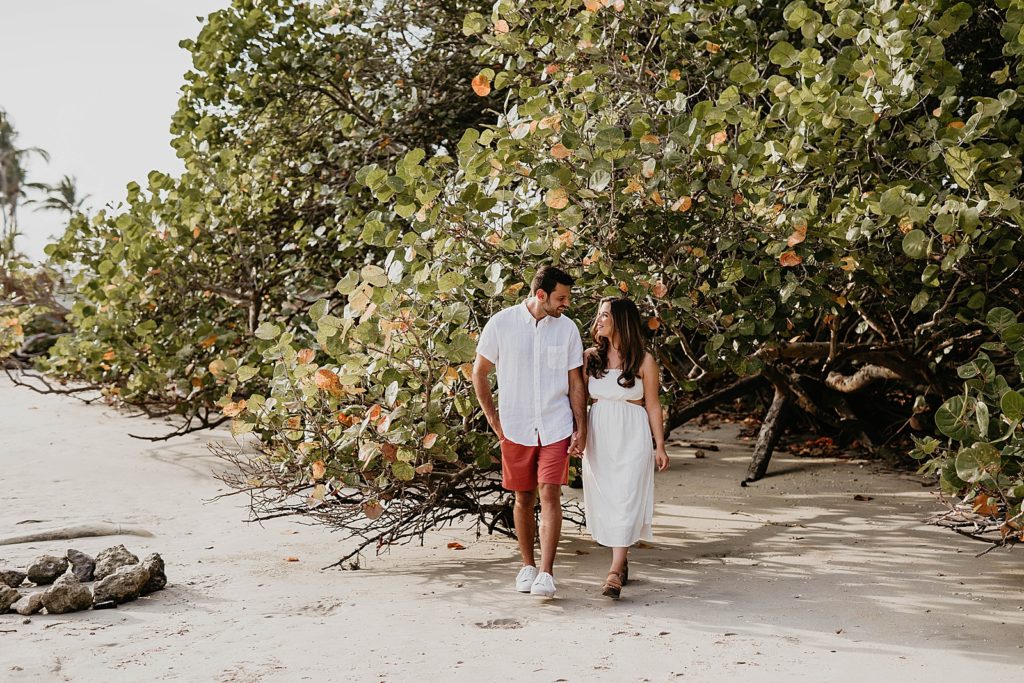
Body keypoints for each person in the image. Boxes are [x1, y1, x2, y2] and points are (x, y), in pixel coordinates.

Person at [472, 265, 586, 598]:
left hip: (556, 425)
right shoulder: (501, 324)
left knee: (549, 492)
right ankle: (527, 565)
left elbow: (575, 381)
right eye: (560, 297)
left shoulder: (567, 330)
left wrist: (581, 426)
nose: (566, 303)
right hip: (516, 426)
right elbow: (479, 373)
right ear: (541, 295)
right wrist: (493, 419)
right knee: (523, 497)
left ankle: (547, 573)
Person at [582, 296, 670, 599]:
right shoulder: (590, 357)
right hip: (599, 433)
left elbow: (654, 406)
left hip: (633, 433)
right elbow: (578, 402)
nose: (599, 320)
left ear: (621, 320)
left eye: (605, 315)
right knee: (608, 500)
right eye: (599, 315)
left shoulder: (644, 360)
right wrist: (576, 435)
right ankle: (623, 557)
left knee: (627, 498)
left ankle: (615, 571)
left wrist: (660, 445)